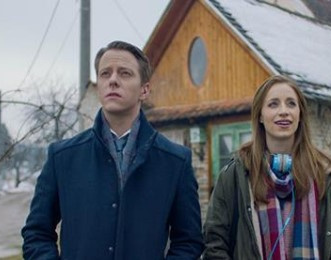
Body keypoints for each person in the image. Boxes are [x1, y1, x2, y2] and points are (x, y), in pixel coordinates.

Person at [22, 41, 204, 259]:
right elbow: (36, 233)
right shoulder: (62, 158)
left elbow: (189, 242)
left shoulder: (175, 162)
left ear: (144, 89)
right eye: (105, 74)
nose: (113, 80)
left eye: (125, 73)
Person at [203, 75, 331, 259]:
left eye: (291, 104)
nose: (283, 111)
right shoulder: (234, 176)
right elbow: (214, 244)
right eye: (273, 104)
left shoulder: (329, 175)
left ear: (300, 114)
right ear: (260, 115)